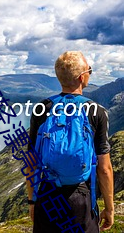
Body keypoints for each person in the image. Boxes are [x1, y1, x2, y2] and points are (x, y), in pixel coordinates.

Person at [26, 51, 114, 232]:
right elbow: (104, 168)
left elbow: (31, 163)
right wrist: (109, 208)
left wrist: (32, 201)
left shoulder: (42, 108)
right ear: (82, 77)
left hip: (47, 195)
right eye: (90, 70)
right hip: (80, 198)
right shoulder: (96, 111)